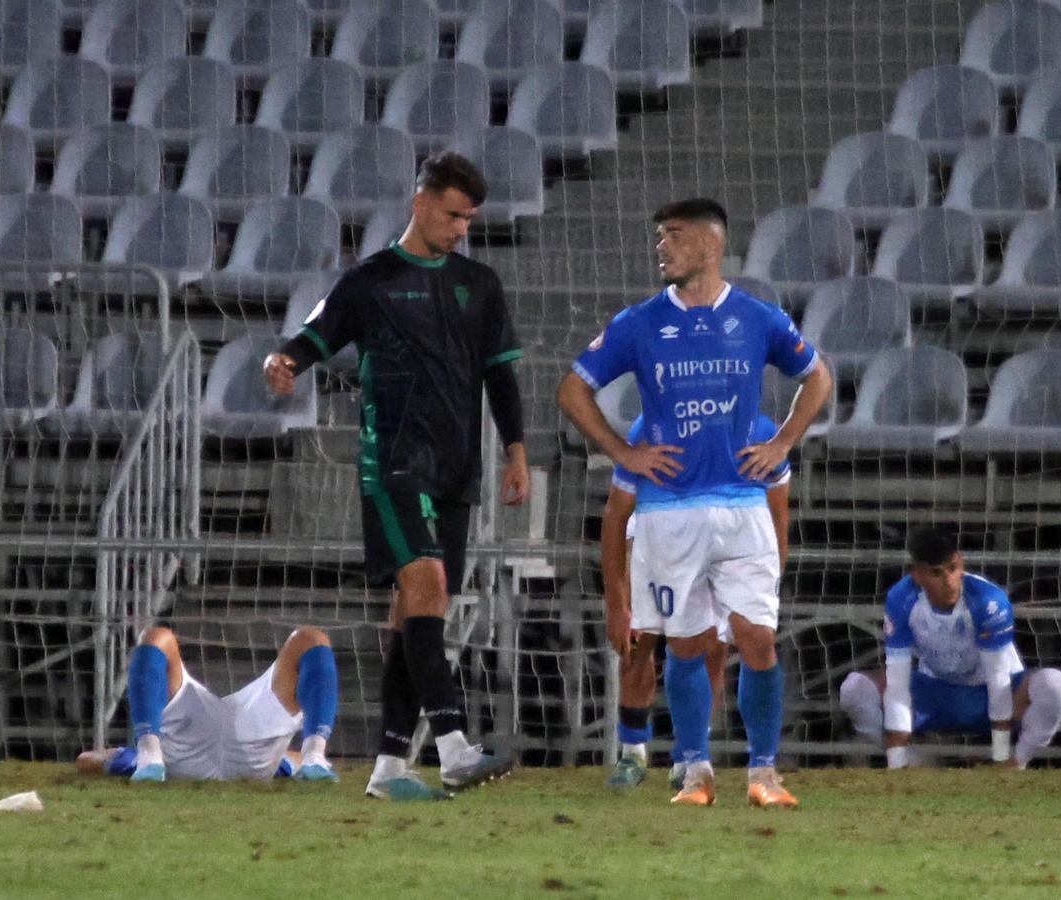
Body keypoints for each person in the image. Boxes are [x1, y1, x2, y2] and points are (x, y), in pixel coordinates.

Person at [264, 152, 529, 801]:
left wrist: (516, 451)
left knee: (417, 614)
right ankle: (454, 747)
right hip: (394, 464)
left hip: (457, 469)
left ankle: (387, 767)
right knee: (428, 586)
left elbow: (499, 373)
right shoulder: (370, 282)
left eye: (469, 219)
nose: (461, 229)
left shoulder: (479, 283)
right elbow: (315, 335)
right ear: (420, 203)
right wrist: (284, 361)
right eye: (453, 215)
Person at [557, 198, 833, 808]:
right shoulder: (639, 322)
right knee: (685, 645)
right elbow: (573, 390)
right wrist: (623, 453)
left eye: (674, 236)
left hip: (743, 502)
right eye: (660, 236)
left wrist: (782, 442)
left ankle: (764, 773)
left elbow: (819, 377)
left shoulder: (757, 318)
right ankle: (695, 772)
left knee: (757, 638)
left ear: (711, 245)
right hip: (669, 510)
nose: (662, 247)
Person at [602, 413, 792, 792]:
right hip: (660, 525)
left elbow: (778, 508)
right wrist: (618, 599)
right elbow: (618, 509)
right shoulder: (653, 426)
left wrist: (774, 568)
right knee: (640, 638)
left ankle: (690, 757)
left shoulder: (755, 429)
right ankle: (633, 750)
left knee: (711, 645)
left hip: (725, 530)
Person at [838, 527, 1061, 770]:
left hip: (992, 694)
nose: (949, 581)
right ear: (918, 574)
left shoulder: (987, 599)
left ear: (961, 562)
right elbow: (898, 678)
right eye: (936, 573)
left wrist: (1001, 753)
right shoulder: (901, 599)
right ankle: (912, 764)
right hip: (936, 694)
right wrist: (897, 758)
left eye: (953, 568)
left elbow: (998, 677)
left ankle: (1017, 763)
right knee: (854, 688)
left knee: (1053, 683)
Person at [74, 625, 338, 783]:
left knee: (154, 637)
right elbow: (289, 759)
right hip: (252, 756)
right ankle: (315, 756)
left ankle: (148, 754)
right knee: (311, 639)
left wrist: (118, 758)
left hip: (186, 754)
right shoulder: (282, 761)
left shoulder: (128, 757)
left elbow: (87, 760)